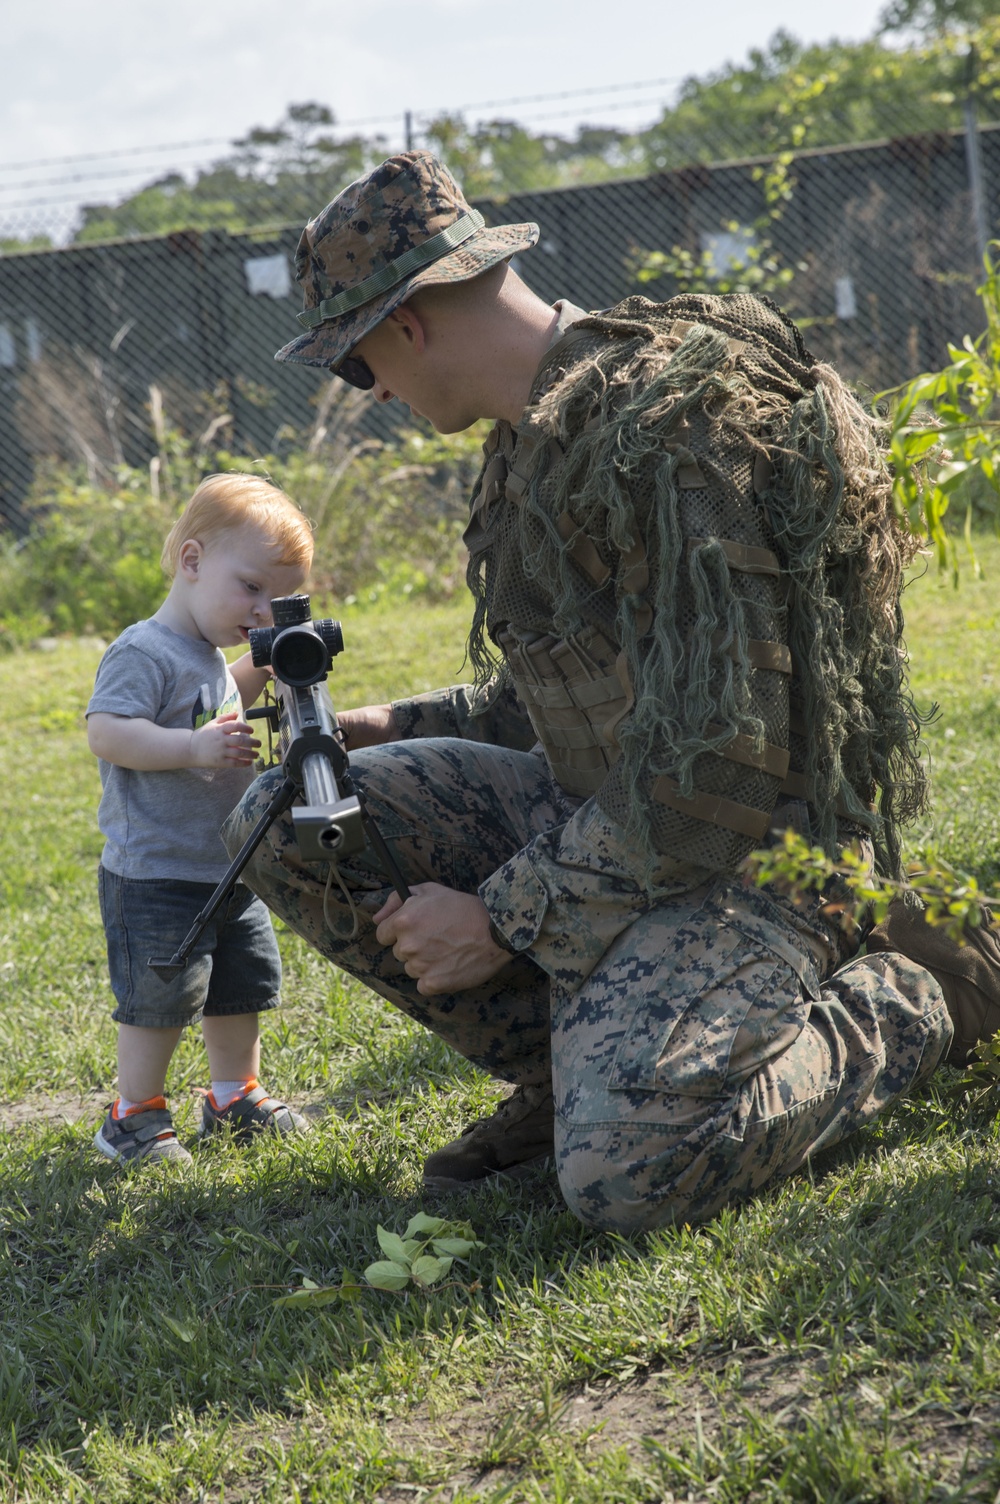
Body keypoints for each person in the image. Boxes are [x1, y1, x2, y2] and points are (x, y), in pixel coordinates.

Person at [222, 149, 986, 1232]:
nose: (374, 391)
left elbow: (721, 765)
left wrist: (500, 913)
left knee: (633, 1172)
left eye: (356, 363)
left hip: (762, 856)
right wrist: (391, 725)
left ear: (409, 321)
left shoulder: (672, 428)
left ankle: (923, 992)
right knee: (290, 814)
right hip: (616, 824)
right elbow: (581, 690)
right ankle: (573, 1070)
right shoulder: (533, 439)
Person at [87, 473, 315, 1165]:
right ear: (192, 560)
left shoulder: (211, 653)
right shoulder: (143, 651)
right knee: (161, 998)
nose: (262, 608)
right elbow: (107, 731)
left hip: (226, 862)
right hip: (156, 871)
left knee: (237, 986)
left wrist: (263, 667)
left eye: (275, 599)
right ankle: (132, 1117)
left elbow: (216, 699)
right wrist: (191, 747)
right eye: (251, 587)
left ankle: (232, 1095)